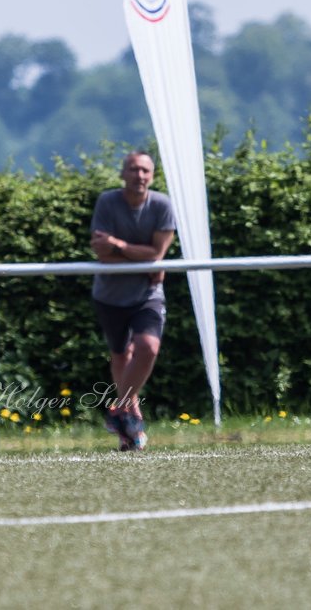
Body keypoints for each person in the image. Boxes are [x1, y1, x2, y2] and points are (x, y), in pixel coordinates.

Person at [90, 150, 176, 452]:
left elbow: (157, 254)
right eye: (133, 169)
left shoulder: (163, 205)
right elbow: (101, 254)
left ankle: (120, 410)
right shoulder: (107, 202)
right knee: (120, 356)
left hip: (146, 295)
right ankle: (130, 425)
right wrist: (139, 256)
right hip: (110, 295)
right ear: (123, 173)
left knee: (148, 347)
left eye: (145, 171)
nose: (139, 176)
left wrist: (118, 246)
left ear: (152, 176)